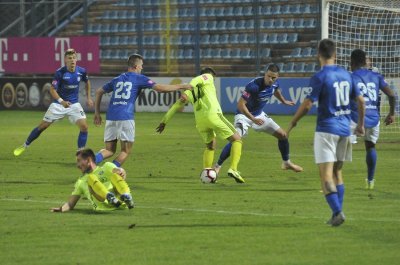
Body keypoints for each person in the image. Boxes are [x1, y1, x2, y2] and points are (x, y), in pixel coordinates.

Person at [287, 39, 365, 226]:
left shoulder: (320, 76)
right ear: (335, 54)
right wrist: (360, 125)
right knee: (338, 172)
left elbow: (307, 104)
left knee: (326, 176)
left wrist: (293, 122)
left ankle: (337, 212)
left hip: (326, 130)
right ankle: (337, 212)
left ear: (318, 55)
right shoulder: (347, 74)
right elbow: (361, 101)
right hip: (345, 130)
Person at [93, 54, 192, 167]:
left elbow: (98, 91)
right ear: (135, 66)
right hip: (125, 117)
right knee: (125, 151)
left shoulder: (118, 78)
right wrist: (180, 86)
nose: (142, 68)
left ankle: (89, 163)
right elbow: (160, 89)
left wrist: (97, 113)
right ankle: (109, 173)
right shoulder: (139, 78)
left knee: (109, 150)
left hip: (111, 117)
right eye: (141, 66)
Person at [156, 67, 245, 183]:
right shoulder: (207, 77)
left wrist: (164, 121)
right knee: (237, 139)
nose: (212, 80)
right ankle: (233, 169)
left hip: (200, 122)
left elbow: (177, 105)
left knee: (211, 146)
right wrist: (188, 87)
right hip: (213, 115)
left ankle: (207, 173)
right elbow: (197, 79)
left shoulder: (191, 91)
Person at [214, 63, 303, 174]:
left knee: (283, 135)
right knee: (236, 139)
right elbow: (240, 105)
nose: (270, 79)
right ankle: (217, 166)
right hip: (243, 115)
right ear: (265, 74)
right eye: (269, 76)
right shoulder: (253, 86)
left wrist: (283, 101)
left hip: (259, 115)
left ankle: (286, 162)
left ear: (277, 77)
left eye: (273, 77)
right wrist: (252, 118)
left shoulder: (275, 84)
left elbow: (276, 90)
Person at [14, 48, 93, 156]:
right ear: (65, 60)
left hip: (74, 104)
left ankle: (80, 152)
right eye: (70, 58)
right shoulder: (60, 72)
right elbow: (52, 89)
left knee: (84, 127)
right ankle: (25, 145)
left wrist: (88, 98)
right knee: (43, 126)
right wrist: (61, 101)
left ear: (77, 59)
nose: (72, 60)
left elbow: (87, 82)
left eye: (74, 58)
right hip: (58, 104)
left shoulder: (81, 71)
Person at [349, 49, 396, 190]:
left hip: (354, 117)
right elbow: (392, 95)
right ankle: (370, 181)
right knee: (370, 146)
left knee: (340, 147)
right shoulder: (376, 75)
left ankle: (332, 181)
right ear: (365, 62)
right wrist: (391, 114)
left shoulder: (350, 77)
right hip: (374, 117)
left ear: (351, 62)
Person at [51, 148, 134, 212]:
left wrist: (122, 172)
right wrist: (61, 209)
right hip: (104, 206)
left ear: (88, 160)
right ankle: (109, 197)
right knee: (90, 178)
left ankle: (127, 196)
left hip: (120, 203)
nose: (77, 165)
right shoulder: (81, 181)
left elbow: (120, 171)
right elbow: (70, 204)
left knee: (115, 176)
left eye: (79, 161)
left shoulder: (107, 167)